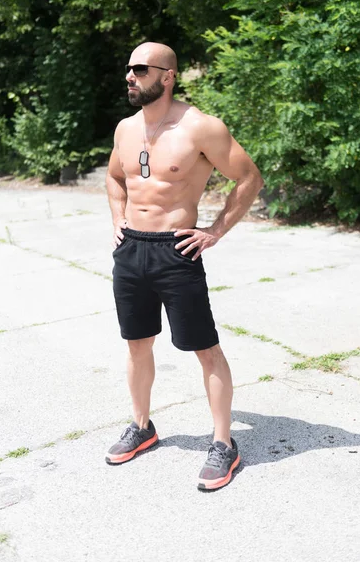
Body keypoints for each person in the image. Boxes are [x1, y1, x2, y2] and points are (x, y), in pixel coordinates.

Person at [105, 42, 263, 491]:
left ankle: (223, 444)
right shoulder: (124, 129)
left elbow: (249, 178)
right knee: (137, 344)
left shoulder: (200, 128)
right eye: (128, 67)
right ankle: (142, 426)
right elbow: (116, 177)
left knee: (204, 349)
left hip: (177, 252)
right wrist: (118, 219)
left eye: (140, 68)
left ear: (168, 76)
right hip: (131, 251)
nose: (130, 76)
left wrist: (214, 231)